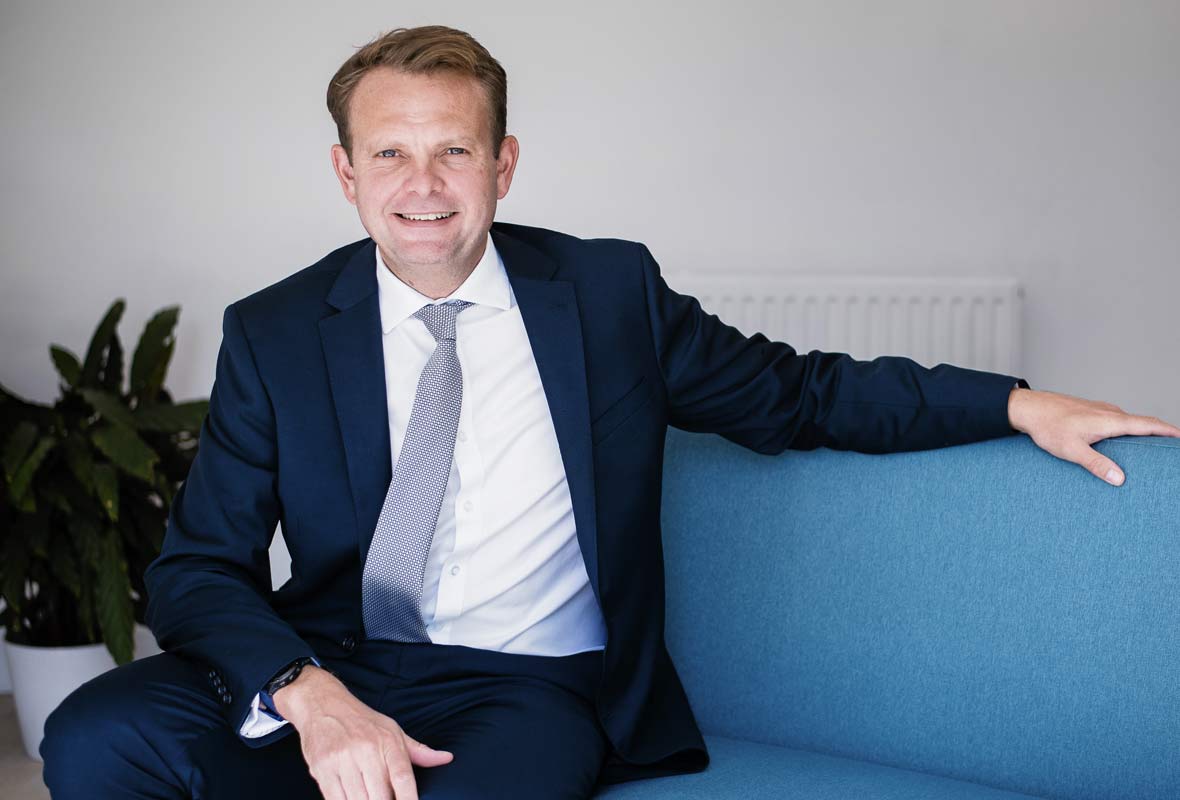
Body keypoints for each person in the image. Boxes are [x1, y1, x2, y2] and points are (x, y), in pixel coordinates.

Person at [40, 24, 1180, 800]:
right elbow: (197, 569)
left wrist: (1018, 402)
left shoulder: (606, 293)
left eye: (453, 151)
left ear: (503, 165)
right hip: (337, 656)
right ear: (347, 173)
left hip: (523, 686)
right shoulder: (278, 328)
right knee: (96, 736)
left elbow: (798, 392)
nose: (422, 186)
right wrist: (313, 697)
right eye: (390, 153)